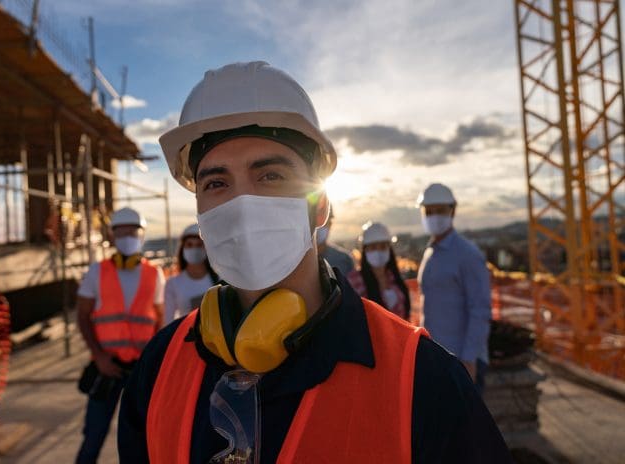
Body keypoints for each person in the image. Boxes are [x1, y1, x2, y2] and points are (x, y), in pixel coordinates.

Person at [118, 61, 511, 463]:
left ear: (320, 205)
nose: (242, 204)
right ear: (200, 214)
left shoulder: (422, 382)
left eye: (270, 176)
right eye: (216, 183)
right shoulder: (159, 370)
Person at [75, 207, 165, 464]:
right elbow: (82, 316)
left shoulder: (154, 273)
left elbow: (160, 320)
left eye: (133, 231)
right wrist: (99, 356)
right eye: (122, 231)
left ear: (142, 235)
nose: (127, 236)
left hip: (141, 370)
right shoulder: (96, 272)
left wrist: (153, 360)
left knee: (144, 439)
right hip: (107, 368)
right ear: (112, 236)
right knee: (93, 437)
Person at [416, 183, 491, 393]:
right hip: (436, 357)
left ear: (452, 211)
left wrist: (469, 359)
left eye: (440, 210)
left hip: (461, 360)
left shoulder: (467, 254)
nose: (434, 216)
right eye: (429, 211)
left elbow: (480, 309)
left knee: (467, 425)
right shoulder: (430, 253)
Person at [347, 221, 410, 320]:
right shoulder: (354, 281)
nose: (378, 251)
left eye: (383, 246)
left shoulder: (395, 277)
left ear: (389, 248)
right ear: (365, 250)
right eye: (373, 247)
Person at [163, 223, 218, 326]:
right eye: (189, 245)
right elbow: (168, 322)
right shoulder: (173, 284)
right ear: (182, 248)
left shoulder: (220, 280)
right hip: (187, 339)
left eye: (199, 245)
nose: (194, 249)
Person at [316, 206, 355, 275]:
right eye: (313, 221)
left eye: (323, 222)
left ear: (330, 224)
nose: (317, 227)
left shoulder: (344, 260)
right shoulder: (294, 263)